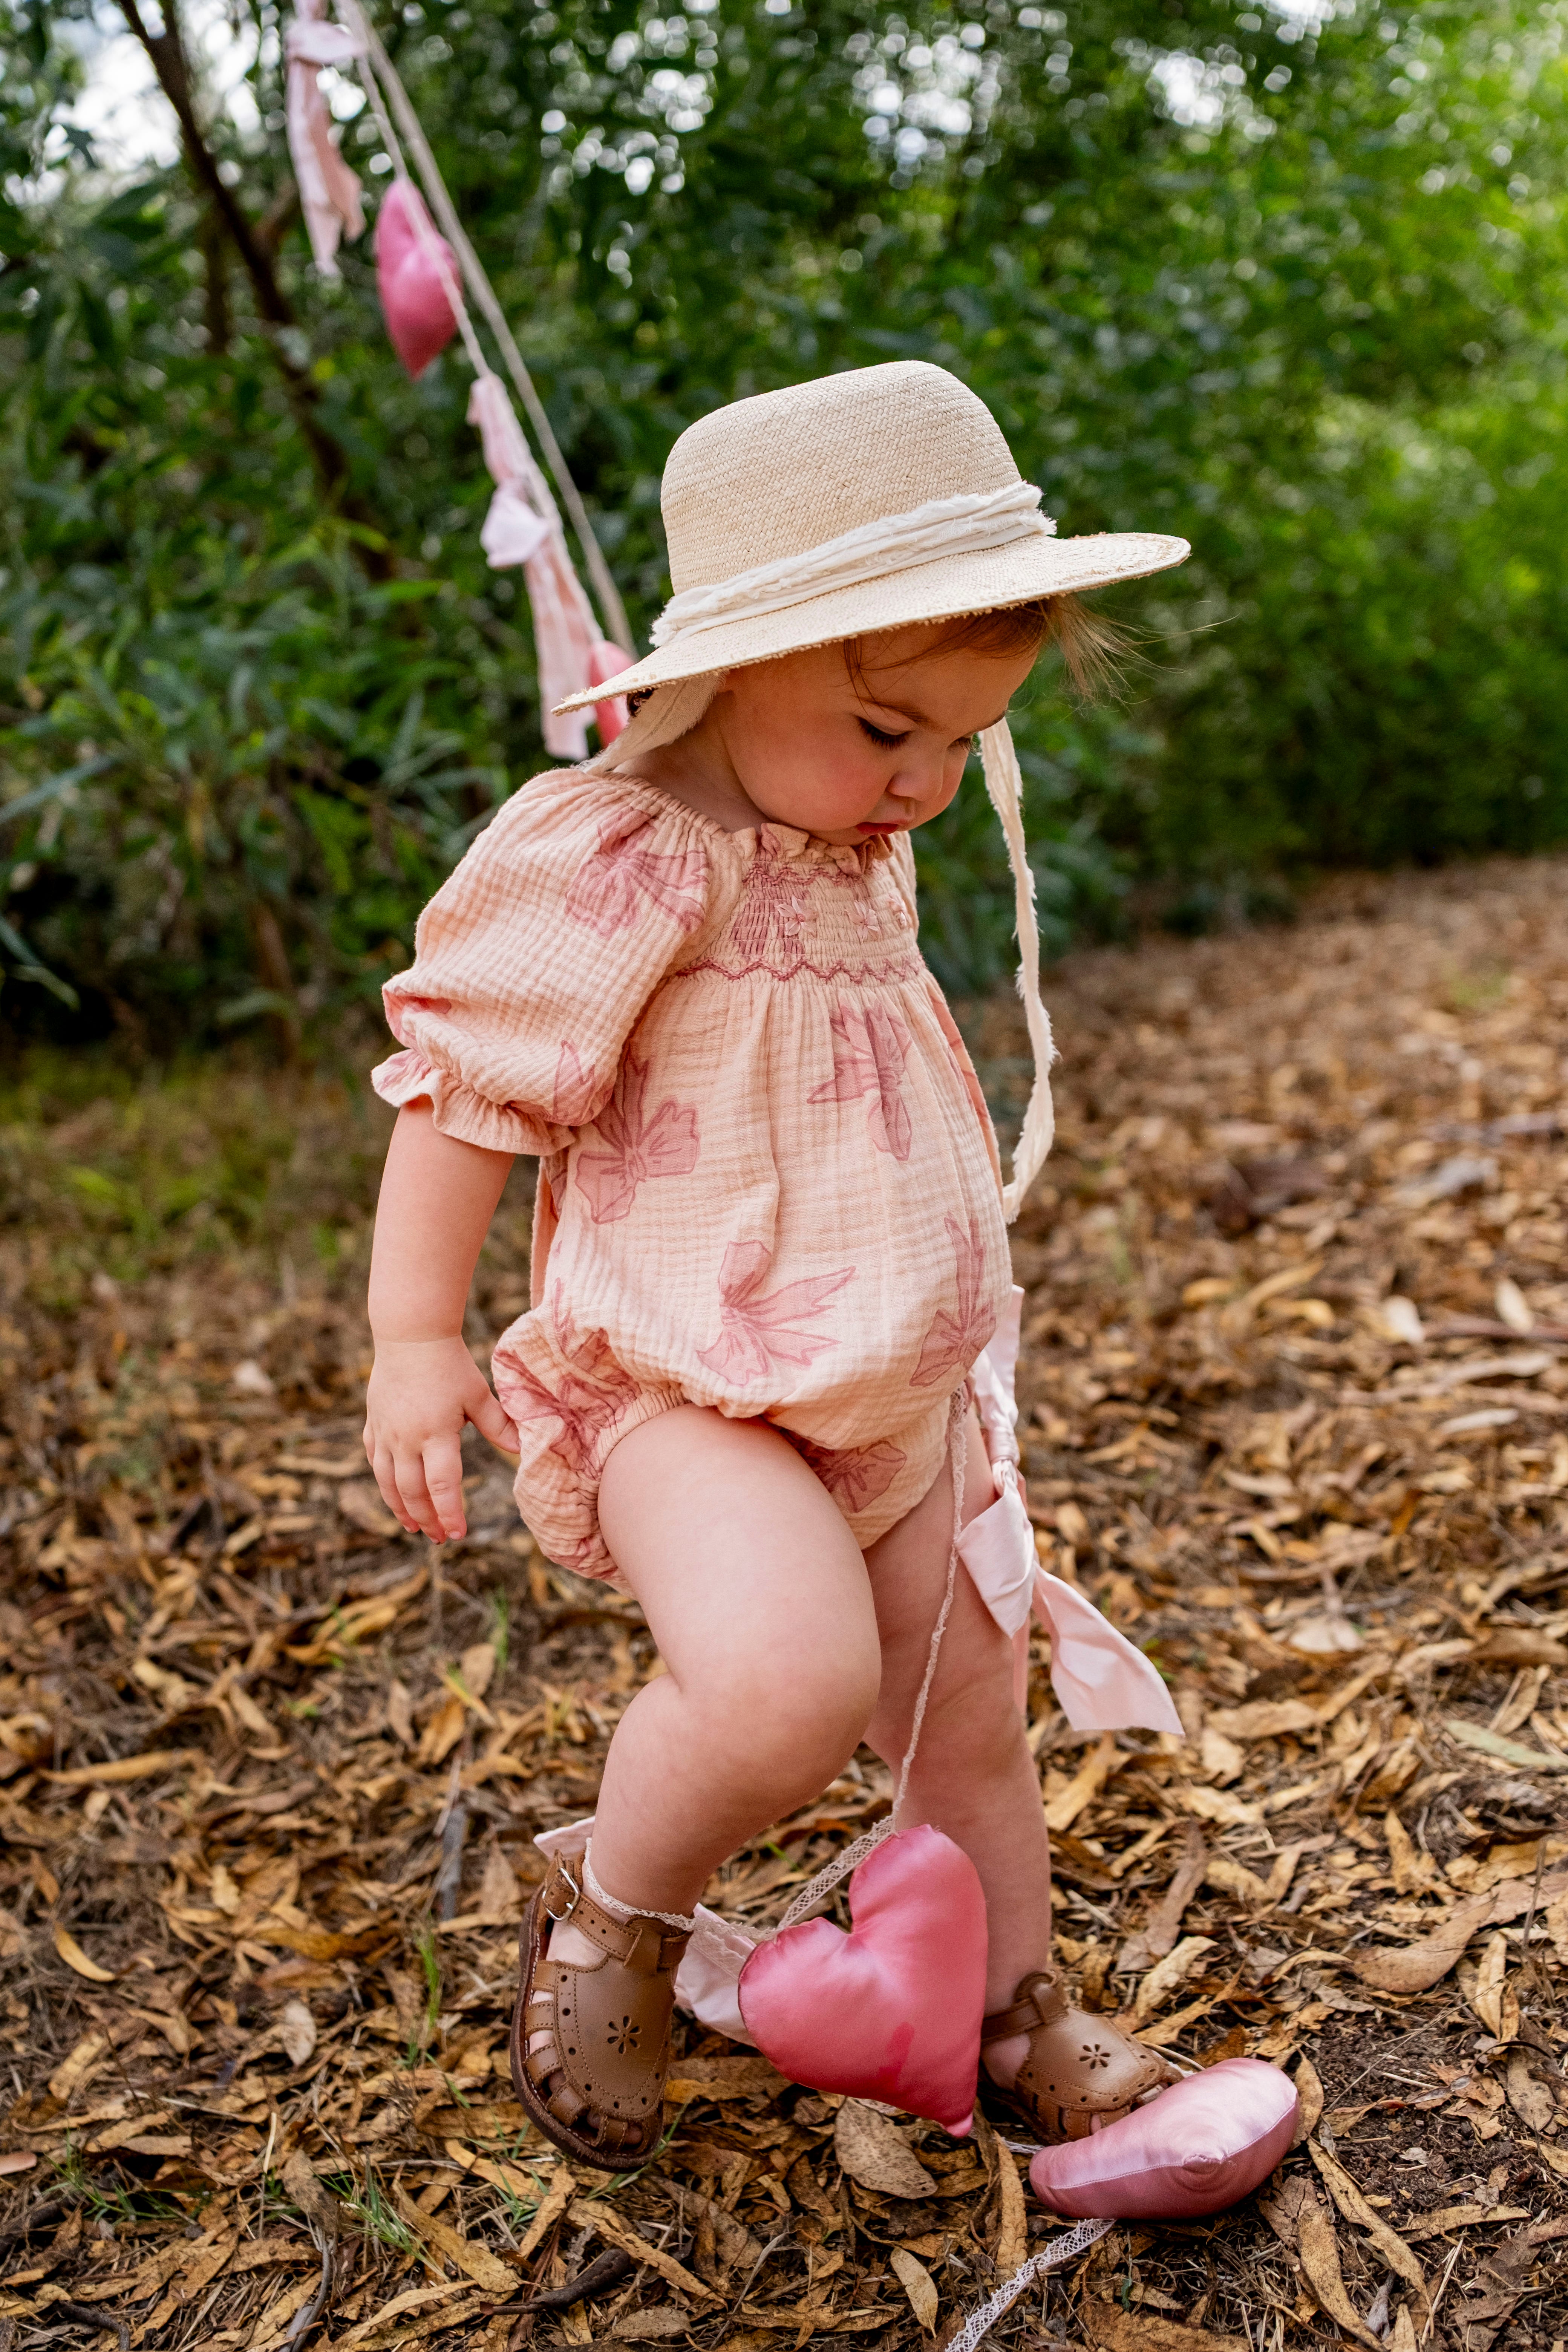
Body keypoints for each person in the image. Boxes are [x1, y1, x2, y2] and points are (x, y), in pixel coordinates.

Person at [362, 360, 1189, 2170]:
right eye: (889, 728)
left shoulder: (841, 825)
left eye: (965, 743)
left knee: (964, 1720)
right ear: (739, 667)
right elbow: (467, 1089)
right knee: (783, 1687)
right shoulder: (616, 853)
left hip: (894, 1388)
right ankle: (617, 1909)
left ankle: (1006, 2002)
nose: (924, 785)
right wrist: (413, 1334)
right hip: (688, 1388)